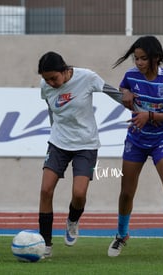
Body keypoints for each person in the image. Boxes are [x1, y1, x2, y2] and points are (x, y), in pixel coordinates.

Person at [107, 36, 163, 257]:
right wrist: (125, 93)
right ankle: (121, 235)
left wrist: (150, 115)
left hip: (162, 139)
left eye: (143, 58)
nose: (138, 63)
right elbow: (123, 89)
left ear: (156, 58)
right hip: (136, 140)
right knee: (127, 192)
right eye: (136, 58)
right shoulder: (130, 76)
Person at [37, 51, 131, 258]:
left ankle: (72, 220)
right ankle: (45, 244)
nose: (51, 83)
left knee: (79, 194)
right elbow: (51, 109)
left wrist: (138, 108)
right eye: (46, 79)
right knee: (45, 190)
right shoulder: (45, 87)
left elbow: (113, 93)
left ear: (65, 70)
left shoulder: (87, 77)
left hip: (86, 145)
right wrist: (54, 132)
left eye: (54, 78)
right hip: (58, 143)